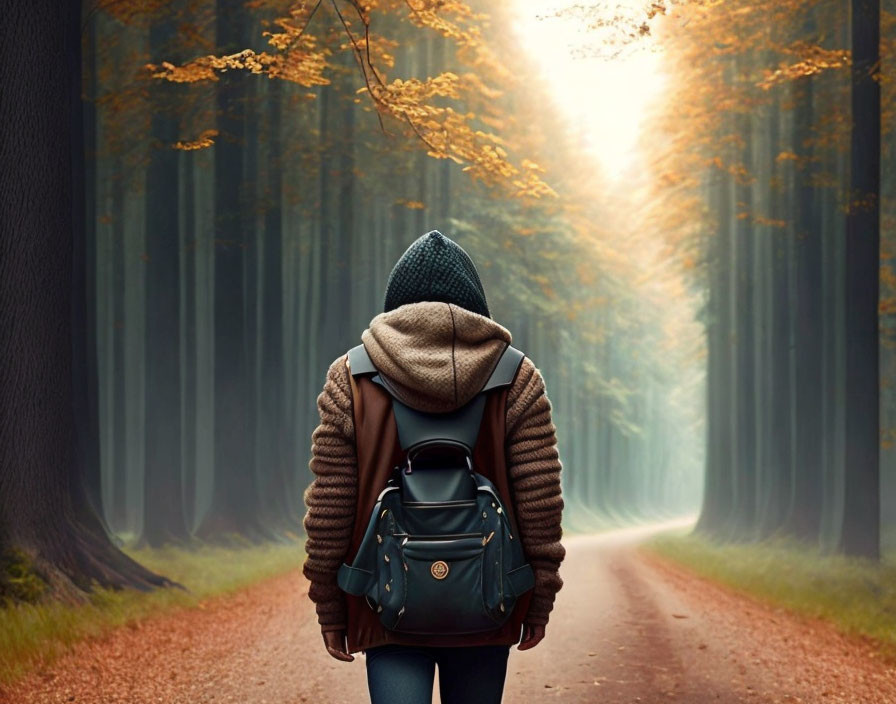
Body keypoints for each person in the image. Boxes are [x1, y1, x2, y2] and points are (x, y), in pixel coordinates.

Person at [302, 230, 565, 704]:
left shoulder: (352, 378)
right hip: (490, 600)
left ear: (394, 306)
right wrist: (538, 598)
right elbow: (540, 502)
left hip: (383, 604)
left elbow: (330, 507)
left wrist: (330, 605)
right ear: (476, 304)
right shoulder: (518, 377)